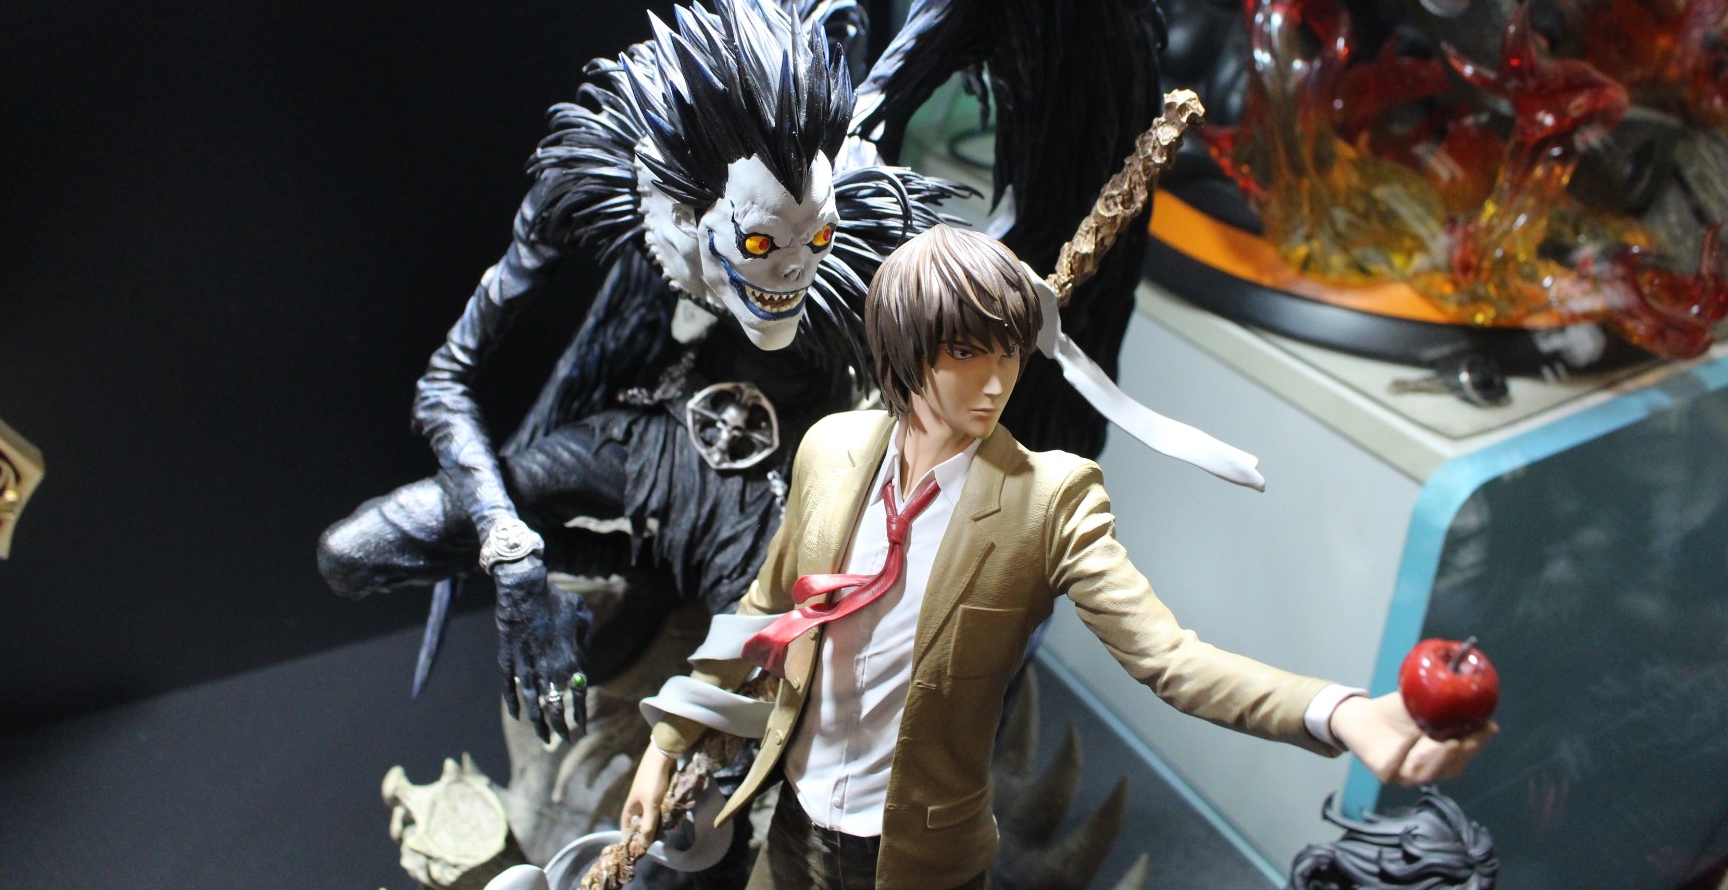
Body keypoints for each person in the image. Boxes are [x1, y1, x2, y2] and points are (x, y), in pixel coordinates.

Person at [621, 225, 1493, 890]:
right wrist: (668, 740)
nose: (996, 379)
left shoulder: (1049, 501)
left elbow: (1171, 660)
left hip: (921, 860)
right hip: (792, 826)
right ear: (904, 348)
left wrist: (1341, 714)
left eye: (1008, 349)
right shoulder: (833, 450)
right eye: (967, 351)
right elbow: (765, 612)